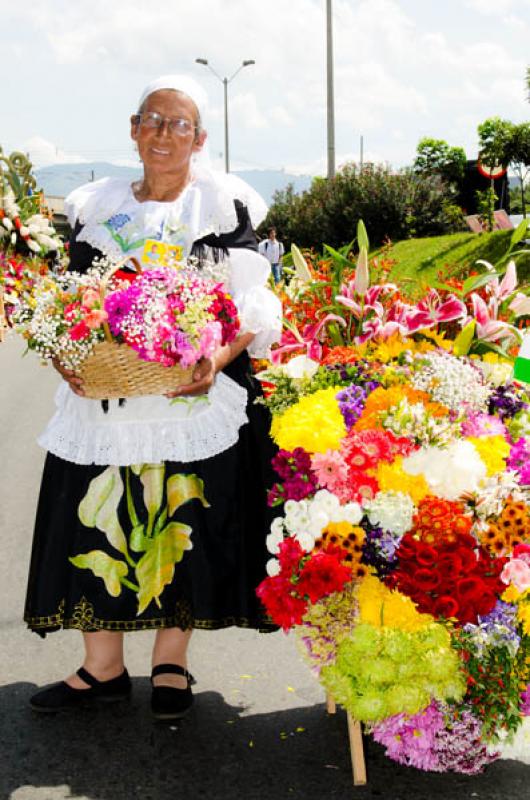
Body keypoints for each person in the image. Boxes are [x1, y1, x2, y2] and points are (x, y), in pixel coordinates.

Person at [25, 74, 282, 720]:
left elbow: (250, 302)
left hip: (191, 397)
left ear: (200, 140)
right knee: (92, 514)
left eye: (180, 124)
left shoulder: (221, 207)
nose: (165, 134)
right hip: (107, 396)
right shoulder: (96, 208)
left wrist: (217, 358)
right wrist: (64, 353)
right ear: (133, 129)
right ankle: (101, 666)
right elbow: (69, 302)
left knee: (184, 520)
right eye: (154, 121)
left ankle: (172, 660)